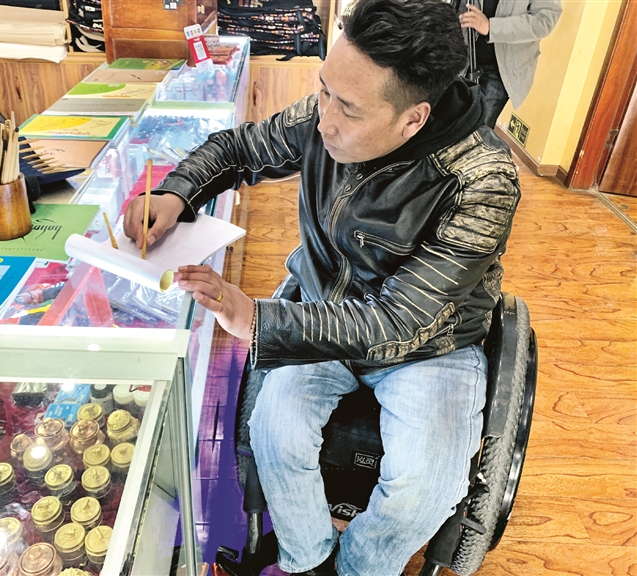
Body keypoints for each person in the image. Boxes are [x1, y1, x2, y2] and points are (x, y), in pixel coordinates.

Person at [123, 1, 521, 574]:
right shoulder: (325, 115)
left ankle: (358, 567)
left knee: (426, 488)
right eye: (324, 90)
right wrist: (175, 192)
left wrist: (260, 320)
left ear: (413, 119)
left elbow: (402, 319)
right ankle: (306, 558)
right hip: (322, 311)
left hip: (430, 347)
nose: (325, 120)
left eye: (348, 108)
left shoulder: (481, 178)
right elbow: (239, 149)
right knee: (274, 432)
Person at [459, 0, 562, 127]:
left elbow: (545, 20)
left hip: (500, 72)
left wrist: (491, 27)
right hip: (459, 58)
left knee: (476, 131)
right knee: (444, 121)